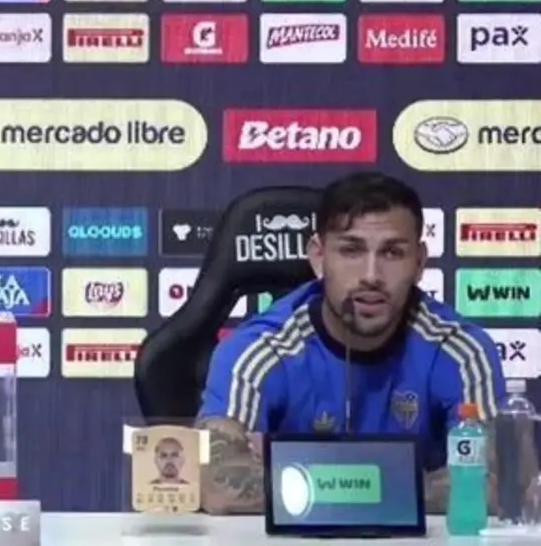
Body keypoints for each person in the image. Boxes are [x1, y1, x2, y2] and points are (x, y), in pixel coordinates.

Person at [197, 171, 507, 515]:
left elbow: (497, 484)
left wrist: (328, 485)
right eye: (351, 250)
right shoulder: (258, 350)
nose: (371, 275)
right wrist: (384, 488)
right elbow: (218, 485)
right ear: (319, 257)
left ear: (419, 262)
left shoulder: (461, 350)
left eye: (392, 253)